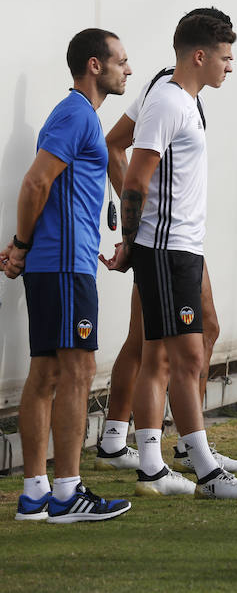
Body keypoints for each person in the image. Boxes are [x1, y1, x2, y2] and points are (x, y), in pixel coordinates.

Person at [94, 6, 237, 476]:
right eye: (225, 56)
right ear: (199, 55)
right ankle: (163, 456)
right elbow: (134, 174)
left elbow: (113, 145)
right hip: (166, 244)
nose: (231, 65)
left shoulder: (177, 91)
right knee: (160, 351)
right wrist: (134, 239)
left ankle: (144, 445)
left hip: (184, 243)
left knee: (185, 339)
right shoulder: (167, 98)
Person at [4, 28, 133, 522]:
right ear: (95, 66)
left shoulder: (79, 116)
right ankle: (66, 492)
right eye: (121, 60)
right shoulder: (77, 113)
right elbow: (37, 180)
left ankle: (36, 493)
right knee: (76, 370)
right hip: (62, 265)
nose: (128, 69)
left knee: (47, 373)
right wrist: (21, 244)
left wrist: (24, 248)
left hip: (57, 263)